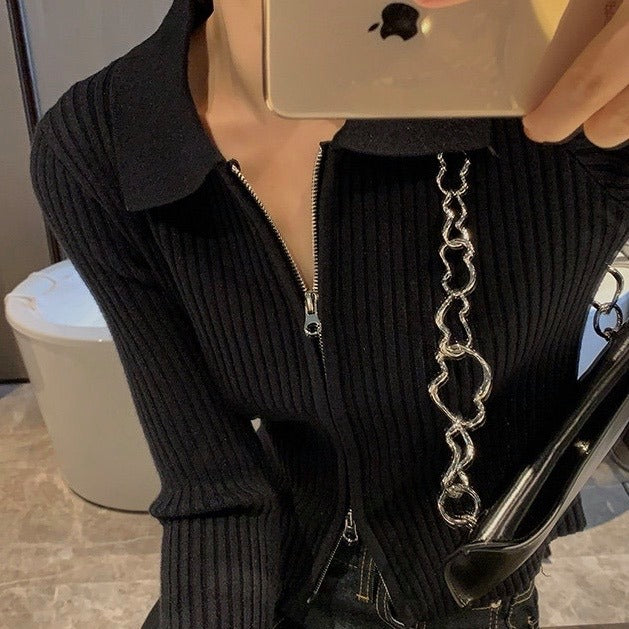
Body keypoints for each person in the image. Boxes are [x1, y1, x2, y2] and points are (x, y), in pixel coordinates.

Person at [29, 0, 628, 627]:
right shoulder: (107, 143)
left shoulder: (565, 100)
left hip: (471, 584)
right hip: (268, 574)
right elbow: (213, 490)